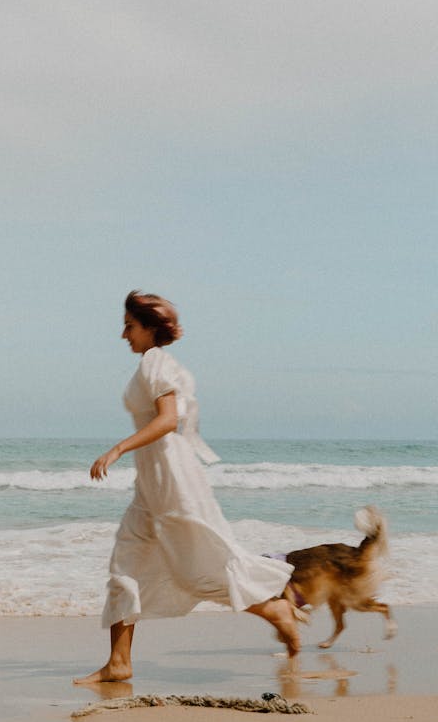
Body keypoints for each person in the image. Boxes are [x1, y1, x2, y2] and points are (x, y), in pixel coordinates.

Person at [75, 290, 299, 684]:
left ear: (149, 328)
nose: (123, 335)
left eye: (129, 326)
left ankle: (272, 607)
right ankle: (119, 663)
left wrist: (117, 450)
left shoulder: (156, 364)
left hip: (171, 479)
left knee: (196, 564)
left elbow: (168, 420)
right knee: (126, 563)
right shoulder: (154, 363)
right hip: (154, 481)